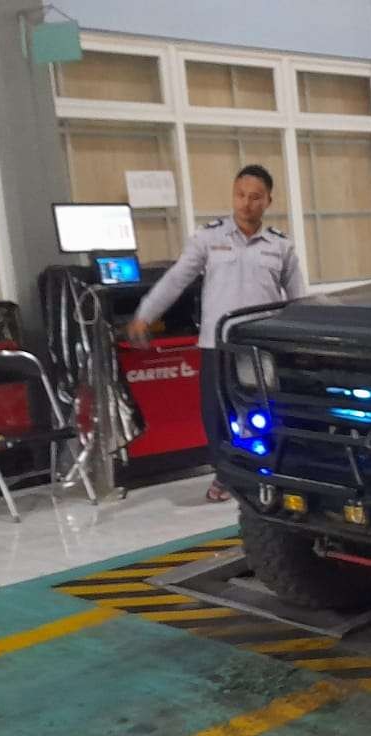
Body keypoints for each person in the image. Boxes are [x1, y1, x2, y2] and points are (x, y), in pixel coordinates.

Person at [128, 164, 306, 502]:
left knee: (265, 411)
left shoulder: (280, 246)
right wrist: (145, 315)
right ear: (233, 196)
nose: (246, 204)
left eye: (255, 197)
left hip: (259, 348)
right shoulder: (209, 239)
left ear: (268, 200)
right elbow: (177, 279)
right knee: (217, 413)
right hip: (216, 344)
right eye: (240, 195)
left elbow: (297, 297)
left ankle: (265, 472)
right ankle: (225, 475)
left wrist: (300, 341)